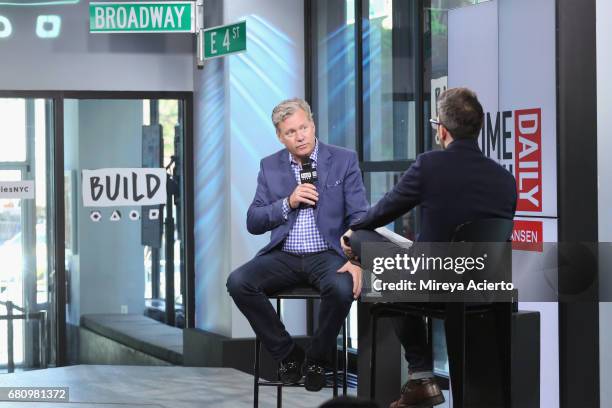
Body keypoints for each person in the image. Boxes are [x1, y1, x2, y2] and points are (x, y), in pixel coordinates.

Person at [342, 88, 517, 408]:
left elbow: (382, 213)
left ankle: (421, 375)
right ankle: (420, 378)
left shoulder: (430, 165)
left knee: (364, 243)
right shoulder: (505, 179)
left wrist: (353, 231)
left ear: (442, 130)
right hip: (485, 287)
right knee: (395, 268)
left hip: (434, 286)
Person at [227, 98, 368, 392]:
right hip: (284, 255)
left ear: (312, 125)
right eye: (291, 132)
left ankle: (317, 359)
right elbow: (254, 221)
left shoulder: (343, 160)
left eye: (303, 127)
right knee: (238, 282)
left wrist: (355, 260)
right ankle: (288, 355)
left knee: (343, 288)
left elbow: (360, 216)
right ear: (280, 136)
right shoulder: (270, 166)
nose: (300, 136)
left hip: (328, 253)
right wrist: (287, 202)